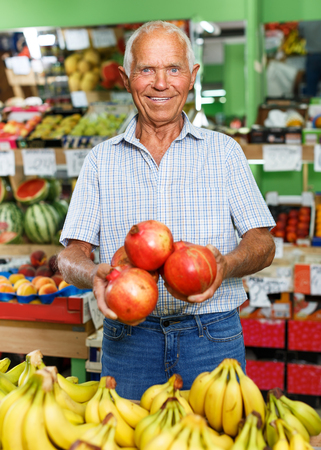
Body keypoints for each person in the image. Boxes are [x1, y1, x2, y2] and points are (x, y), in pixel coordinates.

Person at [58, 21, 276, 400]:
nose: (161, 84)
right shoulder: (99, 161)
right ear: (126, 79)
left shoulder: (224, 153)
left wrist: (227, 264)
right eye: (147, 70)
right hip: (130, 339)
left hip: (211, 335)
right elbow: (70, 254)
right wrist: (93, 272)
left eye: (173, 69)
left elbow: (263, 242)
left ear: (191, 77)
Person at [298, 20, 321, 97]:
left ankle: (311, 107)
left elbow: (301, 35)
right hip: (313, 55)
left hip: (312, 55)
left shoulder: (304, 21)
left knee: (311, 87)